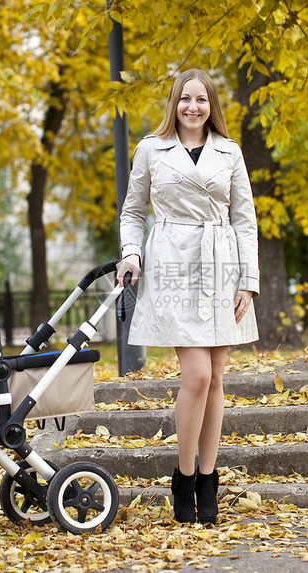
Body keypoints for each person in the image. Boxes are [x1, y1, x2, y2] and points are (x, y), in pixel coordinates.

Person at [116, 69, 259, 524]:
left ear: (211, 104)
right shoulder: (151, 149)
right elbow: (133, 211)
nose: (193, 107)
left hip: (222, 263)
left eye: (201, 99)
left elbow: (245, 220)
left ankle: (208, 480)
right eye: (184, 99)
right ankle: (182, 477)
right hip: (173, 261)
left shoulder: (229, 151)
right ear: (174, 104)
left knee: (216, 379)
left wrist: (248, 281)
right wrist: (132, 254)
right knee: (196, 374)